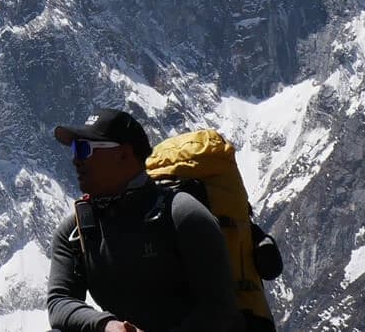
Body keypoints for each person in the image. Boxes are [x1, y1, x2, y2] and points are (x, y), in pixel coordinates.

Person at [46, 109, 242, 332]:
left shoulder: (182, 215)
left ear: (124, 155)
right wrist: (106, 325)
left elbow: (220, 311)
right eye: (74, 149)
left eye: (84, 149)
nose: (76, 159)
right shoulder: (77, 230)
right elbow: (59, 301)